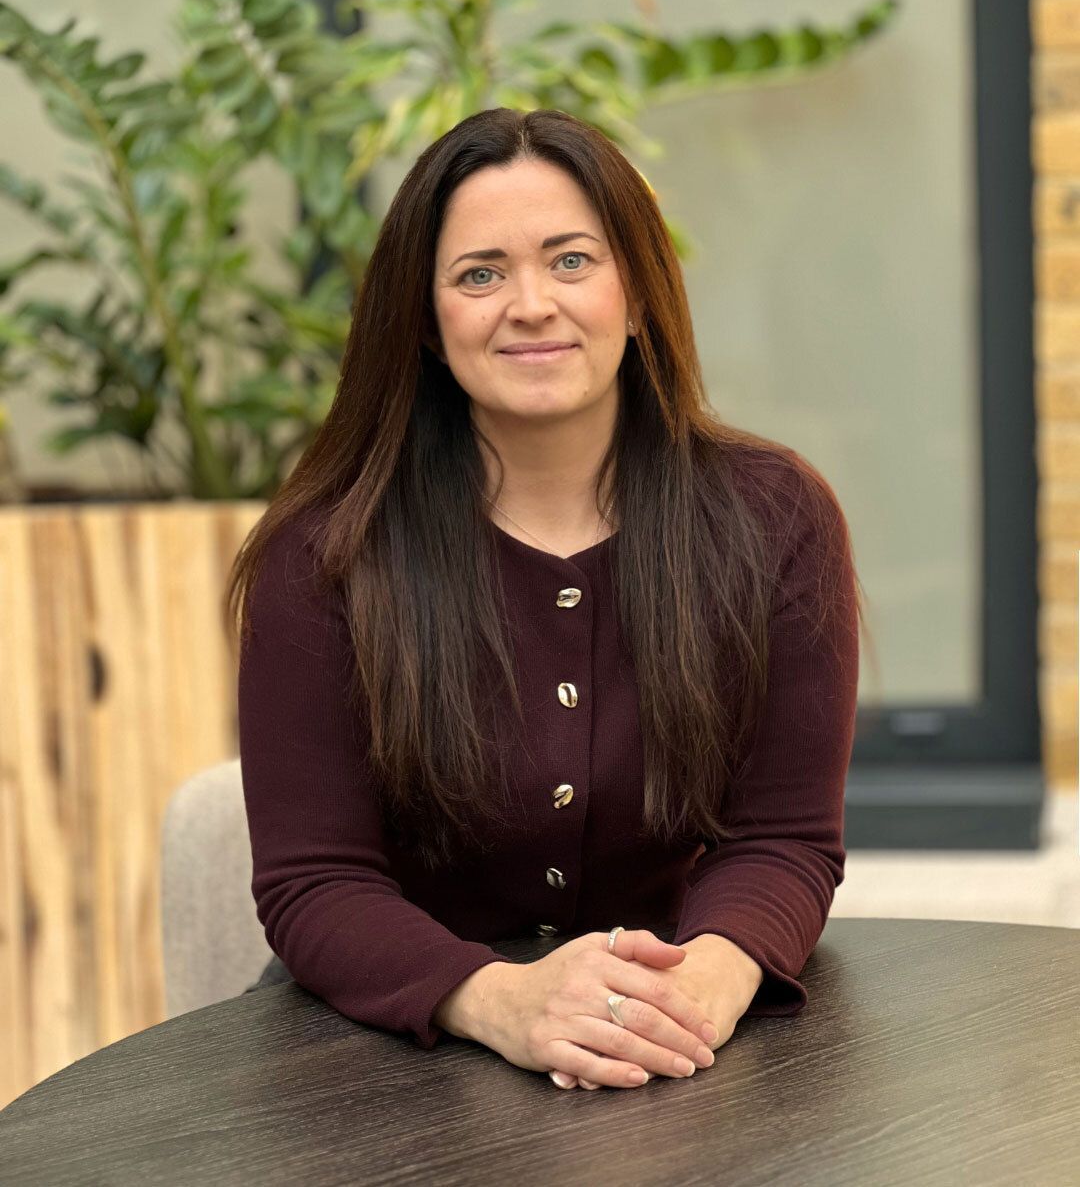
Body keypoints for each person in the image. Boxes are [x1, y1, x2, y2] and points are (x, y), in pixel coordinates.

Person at [226, 106, 865, 1092]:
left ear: (639, 295)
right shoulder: (325, 553)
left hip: (677, 1040)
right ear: (429, 324)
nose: (531, 304)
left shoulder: (773, 516)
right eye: (480, 273)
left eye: (572, 261)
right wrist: (503, 1001)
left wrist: (704, 987)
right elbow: (317, 884)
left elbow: (782, 839)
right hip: (392, 1056)